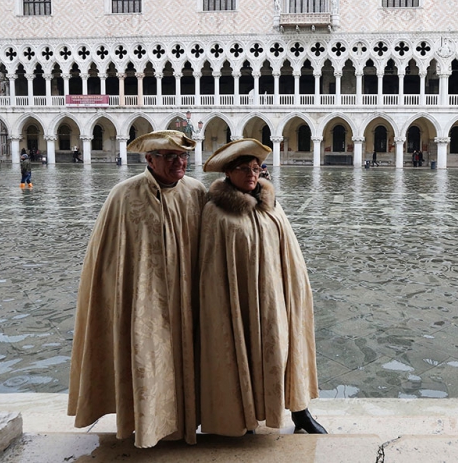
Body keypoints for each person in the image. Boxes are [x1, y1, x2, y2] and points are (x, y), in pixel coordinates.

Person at [68, 130, 207, 448]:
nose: (178, 163)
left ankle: (184, 423)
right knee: (146, 361)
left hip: (185, 301)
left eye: (182, 156)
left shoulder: (196, 192)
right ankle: (145, 427)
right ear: (150, 159)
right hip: (140, 304)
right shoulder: (123, 195)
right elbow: (105, 261)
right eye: (169, 157)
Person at [198, 138, 326, 436]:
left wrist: (293, 291)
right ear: (228, 172)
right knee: (245, 352)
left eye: (256, 168)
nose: (252, 174)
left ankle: (300, 411)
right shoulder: (215, 213)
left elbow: (289, 253)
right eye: (244, 168)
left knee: (283, 349)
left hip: (276, 298)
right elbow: (211, 270)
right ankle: (245, 415)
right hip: (238, 301)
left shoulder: (271, 205)